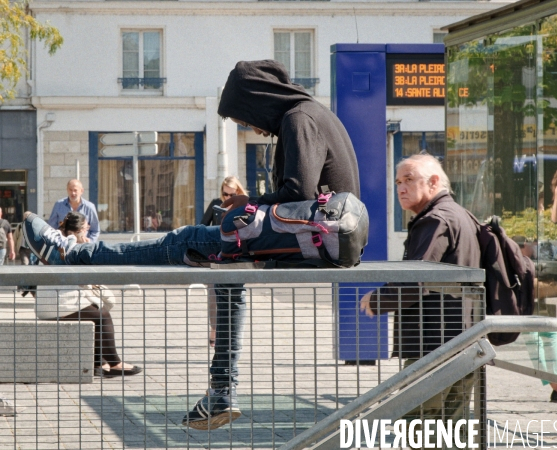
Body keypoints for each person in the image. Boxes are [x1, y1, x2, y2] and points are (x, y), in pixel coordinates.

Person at [22, 59, 360, 430]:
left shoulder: (299, 119)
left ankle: (67, 253)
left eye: (244, 118)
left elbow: (299, 192)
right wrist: (251, 203)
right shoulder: (312, 114)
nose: (249, 126)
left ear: (256, 100)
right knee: (228, 281)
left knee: (184, 239)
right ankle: (219, 395)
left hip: (305, 242)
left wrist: (251, 204)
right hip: (311, 243)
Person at [359, 154, 480, 431]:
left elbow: (417, 279)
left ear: (434, 182)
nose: (401, 188)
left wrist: (378, 299)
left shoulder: (435, 220)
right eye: (398, 182)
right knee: (451, 433)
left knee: (418, 428)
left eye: (409, 180)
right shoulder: (459, 214)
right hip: (462, 341)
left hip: (434, 345)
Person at [34, 211, 142, 378]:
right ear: (78, 231)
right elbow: (86, 275)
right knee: (102, 316)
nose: (88, 230)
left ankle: (98, 363)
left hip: (56, 301)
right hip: (59, 302)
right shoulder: (71, 246)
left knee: (95, 314)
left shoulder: (55, 243)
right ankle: (114, 363)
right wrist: (85, 249)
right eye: (86, 228)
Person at [513, 236, 557, 403]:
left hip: (551, 287)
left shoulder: (539, 251)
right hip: (526, 299)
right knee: (537, 334)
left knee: (545, 333)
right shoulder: (523, 251)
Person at [201, 176, 248, 347]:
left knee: (234, 295)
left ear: (238, 192)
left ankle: (233, 336)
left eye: (231, 194)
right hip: (215, 257)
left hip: (235, 257)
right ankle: (214, 331)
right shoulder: (216, 205)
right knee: (213, 294)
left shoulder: (244, 206)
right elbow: (202, 226)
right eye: (225, 194)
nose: (227, 198)